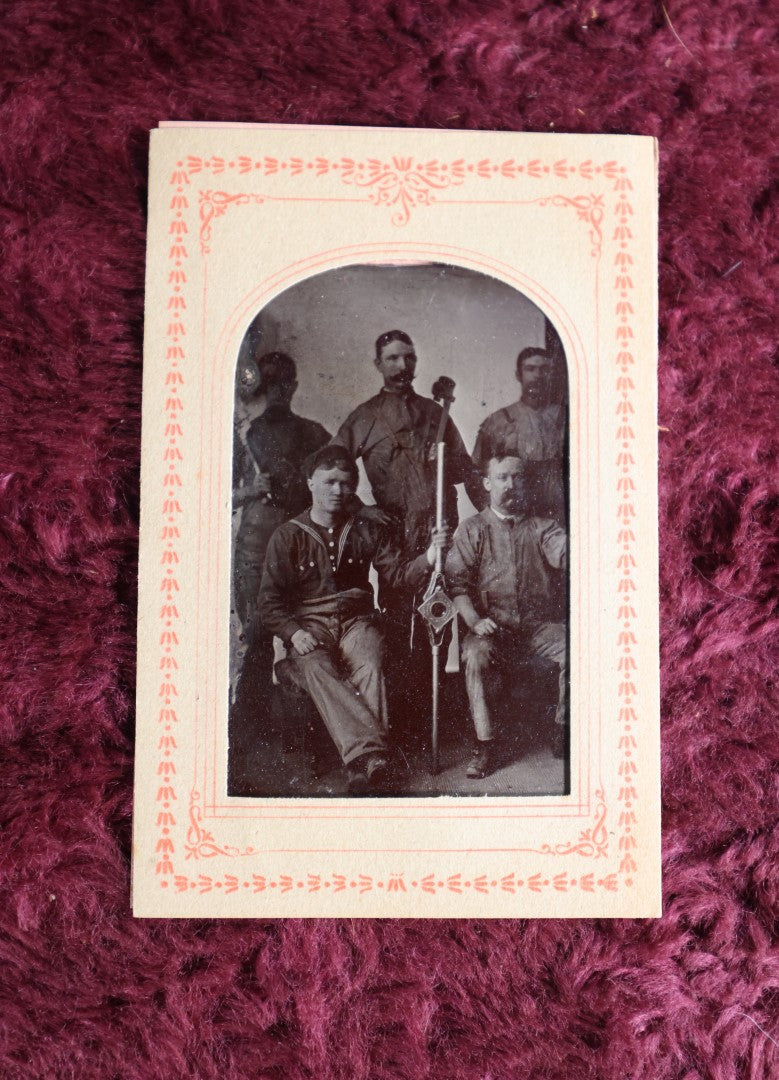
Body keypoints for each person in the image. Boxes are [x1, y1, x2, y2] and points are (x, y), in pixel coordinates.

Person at [258, 446, 450, 792]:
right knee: (316, 667)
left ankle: (361, 765)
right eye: (330, 482)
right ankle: (374, 759)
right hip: (310, 625)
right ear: (310, 482)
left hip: (357, 621)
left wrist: (429, 556)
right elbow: (269, 603)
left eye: (347, 484)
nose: (339, 491)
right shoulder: (287, 535)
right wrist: (294, 633)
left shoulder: (365, 530)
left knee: (370, 664)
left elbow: (398, 575)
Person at [330, 330, 475, 733]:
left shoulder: (436, 414)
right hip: (395, 535)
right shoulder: (364, 417)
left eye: (408, 358)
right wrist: (361, 508)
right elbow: (333, 467)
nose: (402, 367)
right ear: (378, 364)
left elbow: (466, 471)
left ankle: (435, 719)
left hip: (439, 530)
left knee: (439, 617)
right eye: (392, 358)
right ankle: (404, 724)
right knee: (397, 623)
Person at [446, 450, 568, 779]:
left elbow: (566, 553)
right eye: (502, 478)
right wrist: (474, 621)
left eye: (518, 477)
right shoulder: (472, 530)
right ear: (487, 483)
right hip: (492, 630)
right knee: (474, 655)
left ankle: (562, 729)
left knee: (576, 647)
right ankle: (486, 744)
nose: (511, 485)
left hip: (536, 629)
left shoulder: (544, 528)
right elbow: (456, 586)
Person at [232, 351, 330, 699]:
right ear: (260, 385)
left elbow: (336, 481)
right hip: (255, 549)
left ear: (294, 386)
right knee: (256, 636)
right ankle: (249, 731)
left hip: (298, 549)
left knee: (304, 635)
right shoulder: (242, 434)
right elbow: (208, 496)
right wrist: (249, 489)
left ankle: (301, 733)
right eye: (270, 382)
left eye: (283, 383)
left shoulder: (314, 434)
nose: (277, 390)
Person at [467, 347, 565, 523]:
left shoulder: (568, 419)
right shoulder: (499, 422)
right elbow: (474, 474)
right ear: (518, 375)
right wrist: (498, 517)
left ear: (552, 374)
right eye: (530, 369)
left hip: (559, 522)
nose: (538, 375)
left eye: (545, 369)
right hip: (517, 523)